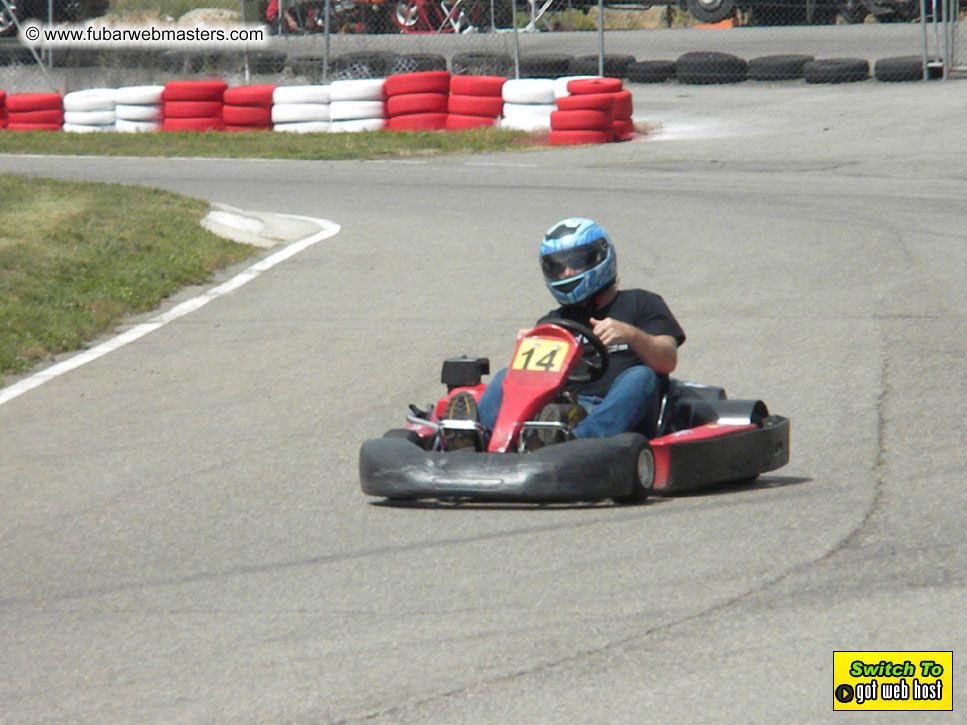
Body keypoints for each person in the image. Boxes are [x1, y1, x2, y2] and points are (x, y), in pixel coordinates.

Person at [446, 217, 685, 446]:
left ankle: (579, 442)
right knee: (506, 376)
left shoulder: (642, 304)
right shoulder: (554, 322)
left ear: (599, 257)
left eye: (576, 262)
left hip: (620, 412)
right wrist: (526, 351)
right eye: (559, 266)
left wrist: (632, 335)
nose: (567, 273)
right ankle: (478, 437)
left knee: (642, 376)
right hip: (562, 411)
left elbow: (667, 360)